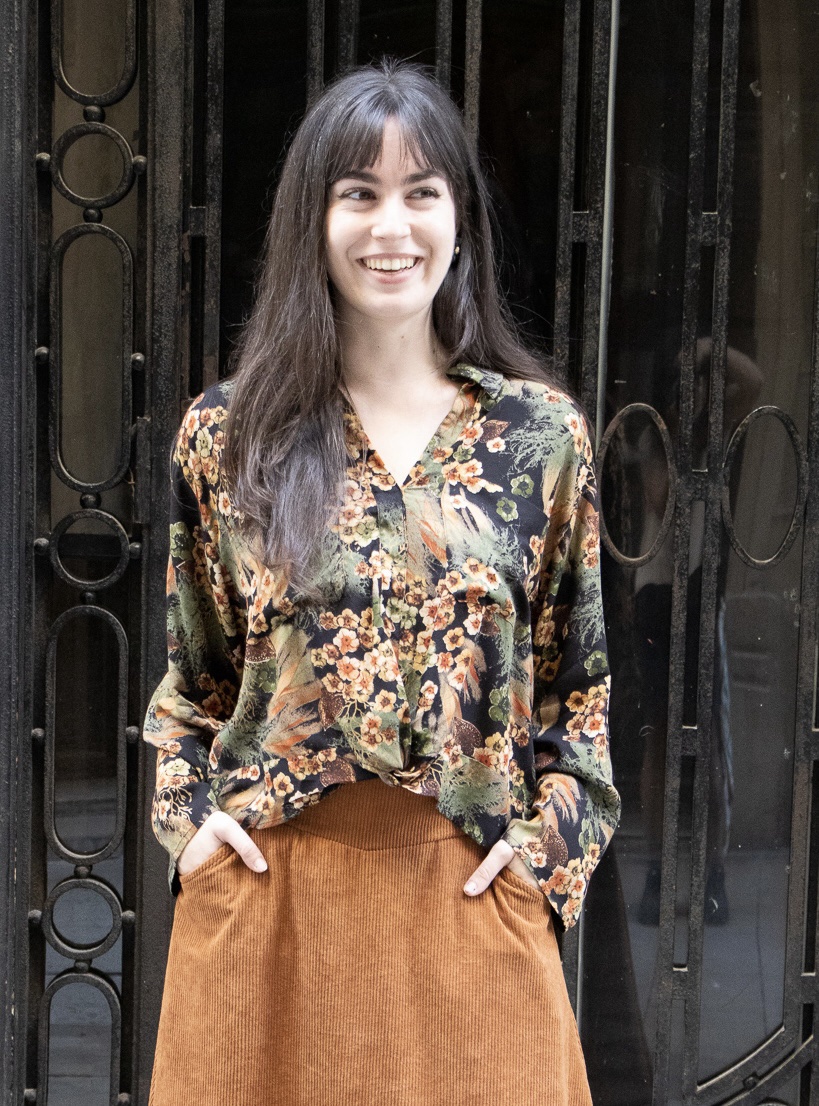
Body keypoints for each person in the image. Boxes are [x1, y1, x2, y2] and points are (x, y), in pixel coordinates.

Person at [142, 57, 620, 1106]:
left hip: (468, 907)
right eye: (357, 193)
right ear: (312, 219)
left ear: (461, 218)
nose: (389, 227)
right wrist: (193, 831)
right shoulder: (232, 437)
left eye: (420, 192)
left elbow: (576, 702)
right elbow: (193, 687)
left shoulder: (539, 440)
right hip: (272, 925)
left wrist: (543, 861)